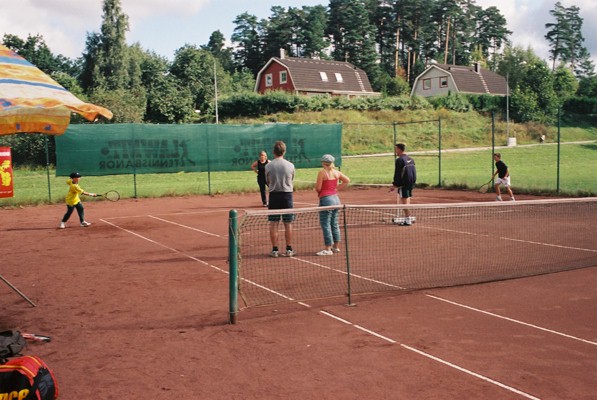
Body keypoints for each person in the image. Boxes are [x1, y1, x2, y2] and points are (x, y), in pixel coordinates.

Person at [315, 154, 350, 256]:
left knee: (325, 224)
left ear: (323, 162)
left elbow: (318, 188)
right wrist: (335, 189)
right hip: (336, 199)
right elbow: (347, 180)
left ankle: (328, 249)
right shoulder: (336, 172)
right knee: (334, 223)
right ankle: (336, 247)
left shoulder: (322, 172)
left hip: (326, 200)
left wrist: (322, 192)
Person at [265, 141, 295, 257]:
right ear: (284, 151)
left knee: (274, 223)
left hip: (274, 196)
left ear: (273, 152)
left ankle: (275, 250)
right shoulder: (290, 165)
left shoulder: (268, 166)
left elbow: (268, 181)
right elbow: (291, 179)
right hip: (287, 196)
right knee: (288, 223)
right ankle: (289, 249)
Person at [390, 143, 416, 226]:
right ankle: (408, 217)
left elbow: (397, 173)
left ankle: (408, 219)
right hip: (410, 183)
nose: (395, 151)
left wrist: (395, 185)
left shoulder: (399, 160)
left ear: (399, 149)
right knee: (407, 199)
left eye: (396, 149)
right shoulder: (411, 159)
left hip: (403, 185)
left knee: (404, 202)